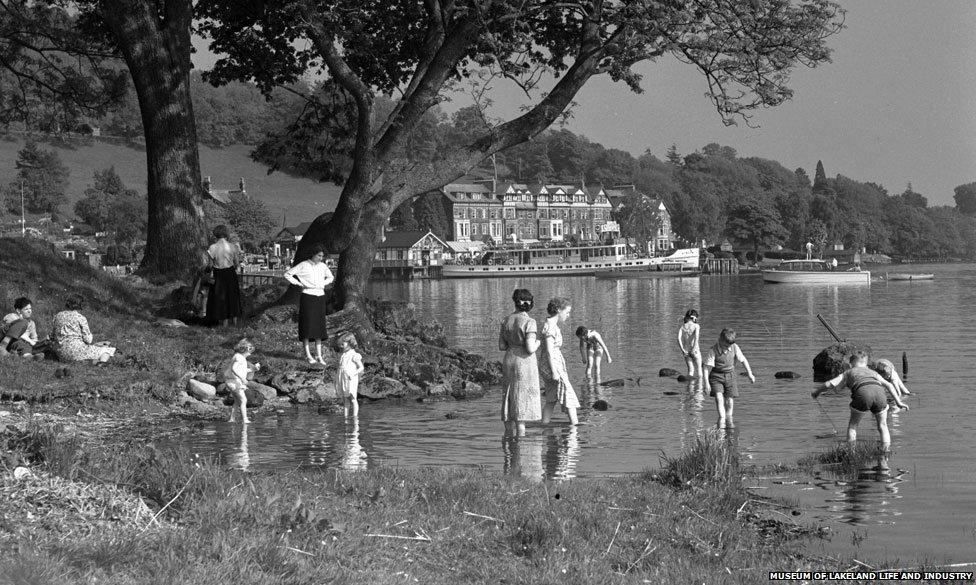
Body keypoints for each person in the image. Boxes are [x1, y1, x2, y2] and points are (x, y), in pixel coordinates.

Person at [812, 351, 909, 450]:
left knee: (853, 425)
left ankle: (851, 451)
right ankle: (886, 452)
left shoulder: (848, 372)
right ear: (866, 365)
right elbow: (889, 385)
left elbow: (829, 384)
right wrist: (898, 402)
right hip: (880, 394)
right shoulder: (873, 372)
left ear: (850, 364)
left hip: (862, 394)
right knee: (883, 425)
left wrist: (816, 393)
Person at [498, 289, 542, 435]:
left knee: (509, 396)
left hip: (509, 359)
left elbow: (502, 346)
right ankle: (521, 441)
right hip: (523, 362)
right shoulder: (530, 322)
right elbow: (530, 348)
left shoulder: (505, 320)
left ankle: (509, 437)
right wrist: (538, 343)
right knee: (521, 399)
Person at [283, 244, 335, 364]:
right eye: (319, 256)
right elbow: (287, 274)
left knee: (319, 326)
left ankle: (319, 356)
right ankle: (308, 355)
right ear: (313, 254)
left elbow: (331, 277)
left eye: (322, 256)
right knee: (307, 325)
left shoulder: (323, 266)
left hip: (320, 296)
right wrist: (299, 284)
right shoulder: (303, 265)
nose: (321, 258)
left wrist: (322, 283)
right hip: (308, 296)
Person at [538, 297, 580, 425]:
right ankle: (575, 426)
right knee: (569, 396)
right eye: (566, 312)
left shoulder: (550, 325)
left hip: (550, 364)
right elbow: (550, 351)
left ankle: (545, 424)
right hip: (553, 365)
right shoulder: (550, 327)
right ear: (558, 310)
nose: (568, 316)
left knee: (551, 398)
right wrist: (555, 372)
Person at [703, 328, 755, 429]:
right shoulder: (713, 350)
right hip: (716, 376)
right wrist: (706, 383)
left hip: (730, 375)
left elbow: (743, 360)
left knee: (729, 400)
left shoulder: (735, 347)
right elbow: (706, 367)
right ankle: (722, 421)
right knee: (719, 398)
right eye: (725, 346)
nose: (727, 348)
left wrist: (750, 374)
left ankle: (729, 419)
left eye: (729, 346)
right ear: (720, 339)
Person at [50, 294, 116, 364]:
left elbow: (52, 336)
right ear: (80, 305)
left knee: (90, 348)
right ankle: (101, 363)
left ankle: (87, 361)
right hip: (76, 351)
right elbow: (88, 340)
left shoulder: (58, 316)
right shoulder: (80, 318)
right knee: (107, 350)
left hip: (61, 354)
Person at [206, 224, 244, 326]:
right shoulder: (232, 247)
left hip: (218, 275)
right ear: (226, 234)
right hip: (230, 273)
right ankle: (235, 322)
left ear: (216, 234)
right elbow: (236, 264)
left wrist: (206, 271)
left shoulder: (212, 247)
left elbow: (210, 265)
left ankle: (223, 323)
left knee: (219, 298)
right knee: (233, 297)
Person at [223, 338, 260, 424]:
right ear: (245, 349)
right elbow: (234, 368)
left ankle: (232, 419)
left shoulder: (239, 357)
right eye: (250, 350)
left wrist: (254, 369)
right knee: (243, 400)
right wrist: (242, 378)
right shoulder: (239, 358)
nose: (250, 353)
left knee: (237, 400)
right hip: (234, 382)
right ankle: (245, 420)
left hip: (231, 381)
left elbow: (242, 370)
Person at [335, 332, 365, 417]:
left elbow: (361, 367)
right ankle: (346, 418)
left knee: (353, 399)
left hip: (350, 379)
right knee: (345, 400)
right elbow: (340, 369)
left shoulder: (354, 355)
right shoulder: (343, 355)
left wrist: (353, 374)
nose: (341, 346)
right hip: (343, 379)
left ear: (350, 343)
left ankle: (355, 418)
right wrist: (336, 378)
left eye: (342, 344)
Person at [677, 309, 702, 379]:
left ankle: (690, 388)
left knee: (690, 371)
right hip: (695, 350)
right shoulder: (696, 326)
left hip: (686, 351)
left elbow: (678, 339)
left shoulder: (682, 326)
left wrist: (682, 350)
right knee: (699, 370)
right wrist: (694, 348)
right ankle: (699, 388)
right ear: (694, 317)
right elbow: (696, 337)